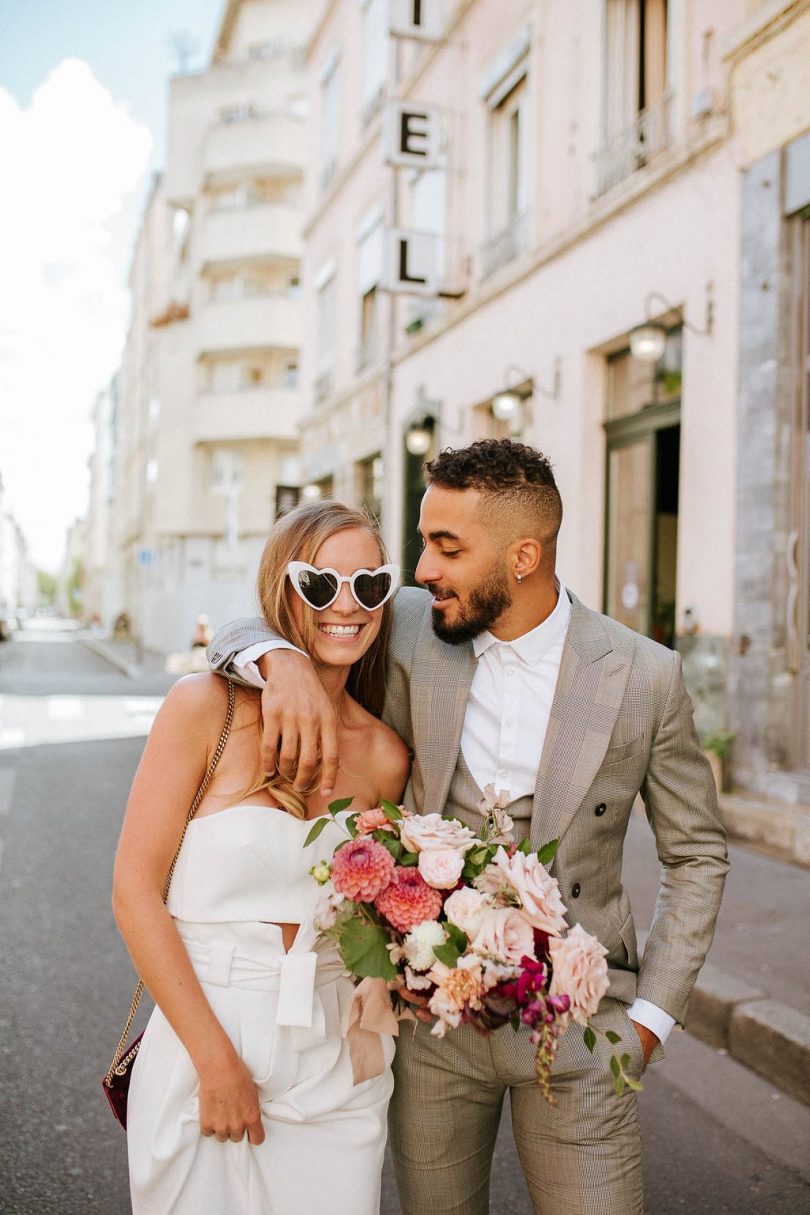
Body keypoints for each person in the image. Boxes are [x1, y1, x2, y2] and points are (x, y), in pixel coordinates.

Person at [208, 438, 729, 1215]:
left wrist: (649, 1019)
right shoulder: (413, 623)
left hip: (582, 1024)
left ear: (523, 555)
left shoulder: (644, 674)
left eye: (446, 547)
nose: (421, 569)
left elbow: (697, 853)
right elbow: (258, 618)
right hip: (432, 1027)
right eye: (424, 540)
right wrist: (276, 660)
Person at [113, 500, 409, 1215]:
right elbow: (133, 891)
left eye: (369, 584)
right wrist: (214, 1061)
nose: (348, 604)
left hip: (335, 1061)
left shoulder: (384, 754)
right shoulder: (203, 707)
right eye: (321, 584)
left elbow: (379, 913)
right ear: (285, 588)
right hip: (204, 1035)